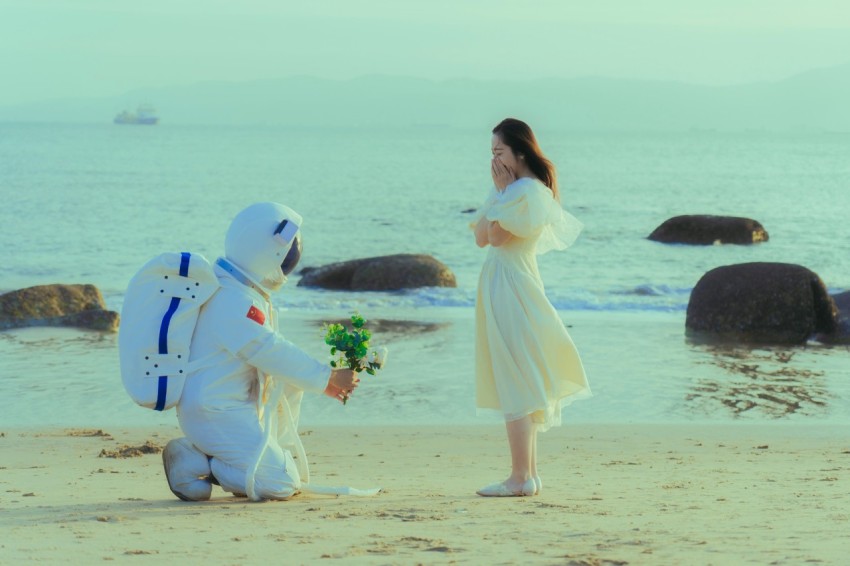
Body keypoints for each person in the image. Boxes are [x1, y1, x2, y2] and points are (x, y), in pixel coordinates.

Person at [162, 202, 359, 501]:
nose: (288, 266)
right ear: (268, 255)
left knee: (289, 383)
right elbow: (268, 349)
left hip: (229, 406)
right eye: (287, 258)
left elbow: (274, 358)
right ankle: (199, 461)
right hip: (214, 411)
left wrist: (323, 382)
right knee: (279, 483)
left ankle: (222, 455)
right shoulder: (231, 300)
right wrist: (326, 376)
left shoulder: (238, 291)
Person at [472, 118, 591, 497]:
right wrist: (499, 193)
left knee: (516, 378)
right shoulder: (511, 191)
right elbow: (479, 237)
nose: (493, 159)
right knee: (516, 376)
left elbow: (497, 236)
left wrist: (503, 193)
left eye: (499, 151)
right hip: (501, 285)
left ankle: (520, 477)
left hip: (513, 288)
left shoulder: (530, 192)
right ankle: (528, 475)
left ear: (519, 152)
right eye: (490, 152)